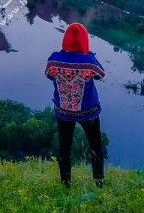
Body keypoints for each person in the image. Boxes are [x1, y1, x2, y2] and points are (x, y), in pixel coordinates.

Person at [44, 23, 106, 189]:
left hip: (63, 111)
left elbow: (49, 76)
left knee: (64, 147)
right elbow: (101, 74)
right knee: (95, 145)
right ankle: (98, 182)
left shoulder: (54, 59)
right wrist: (89, 54)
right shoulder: (89, 61)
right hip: (88, 112)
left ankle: (66, 185)